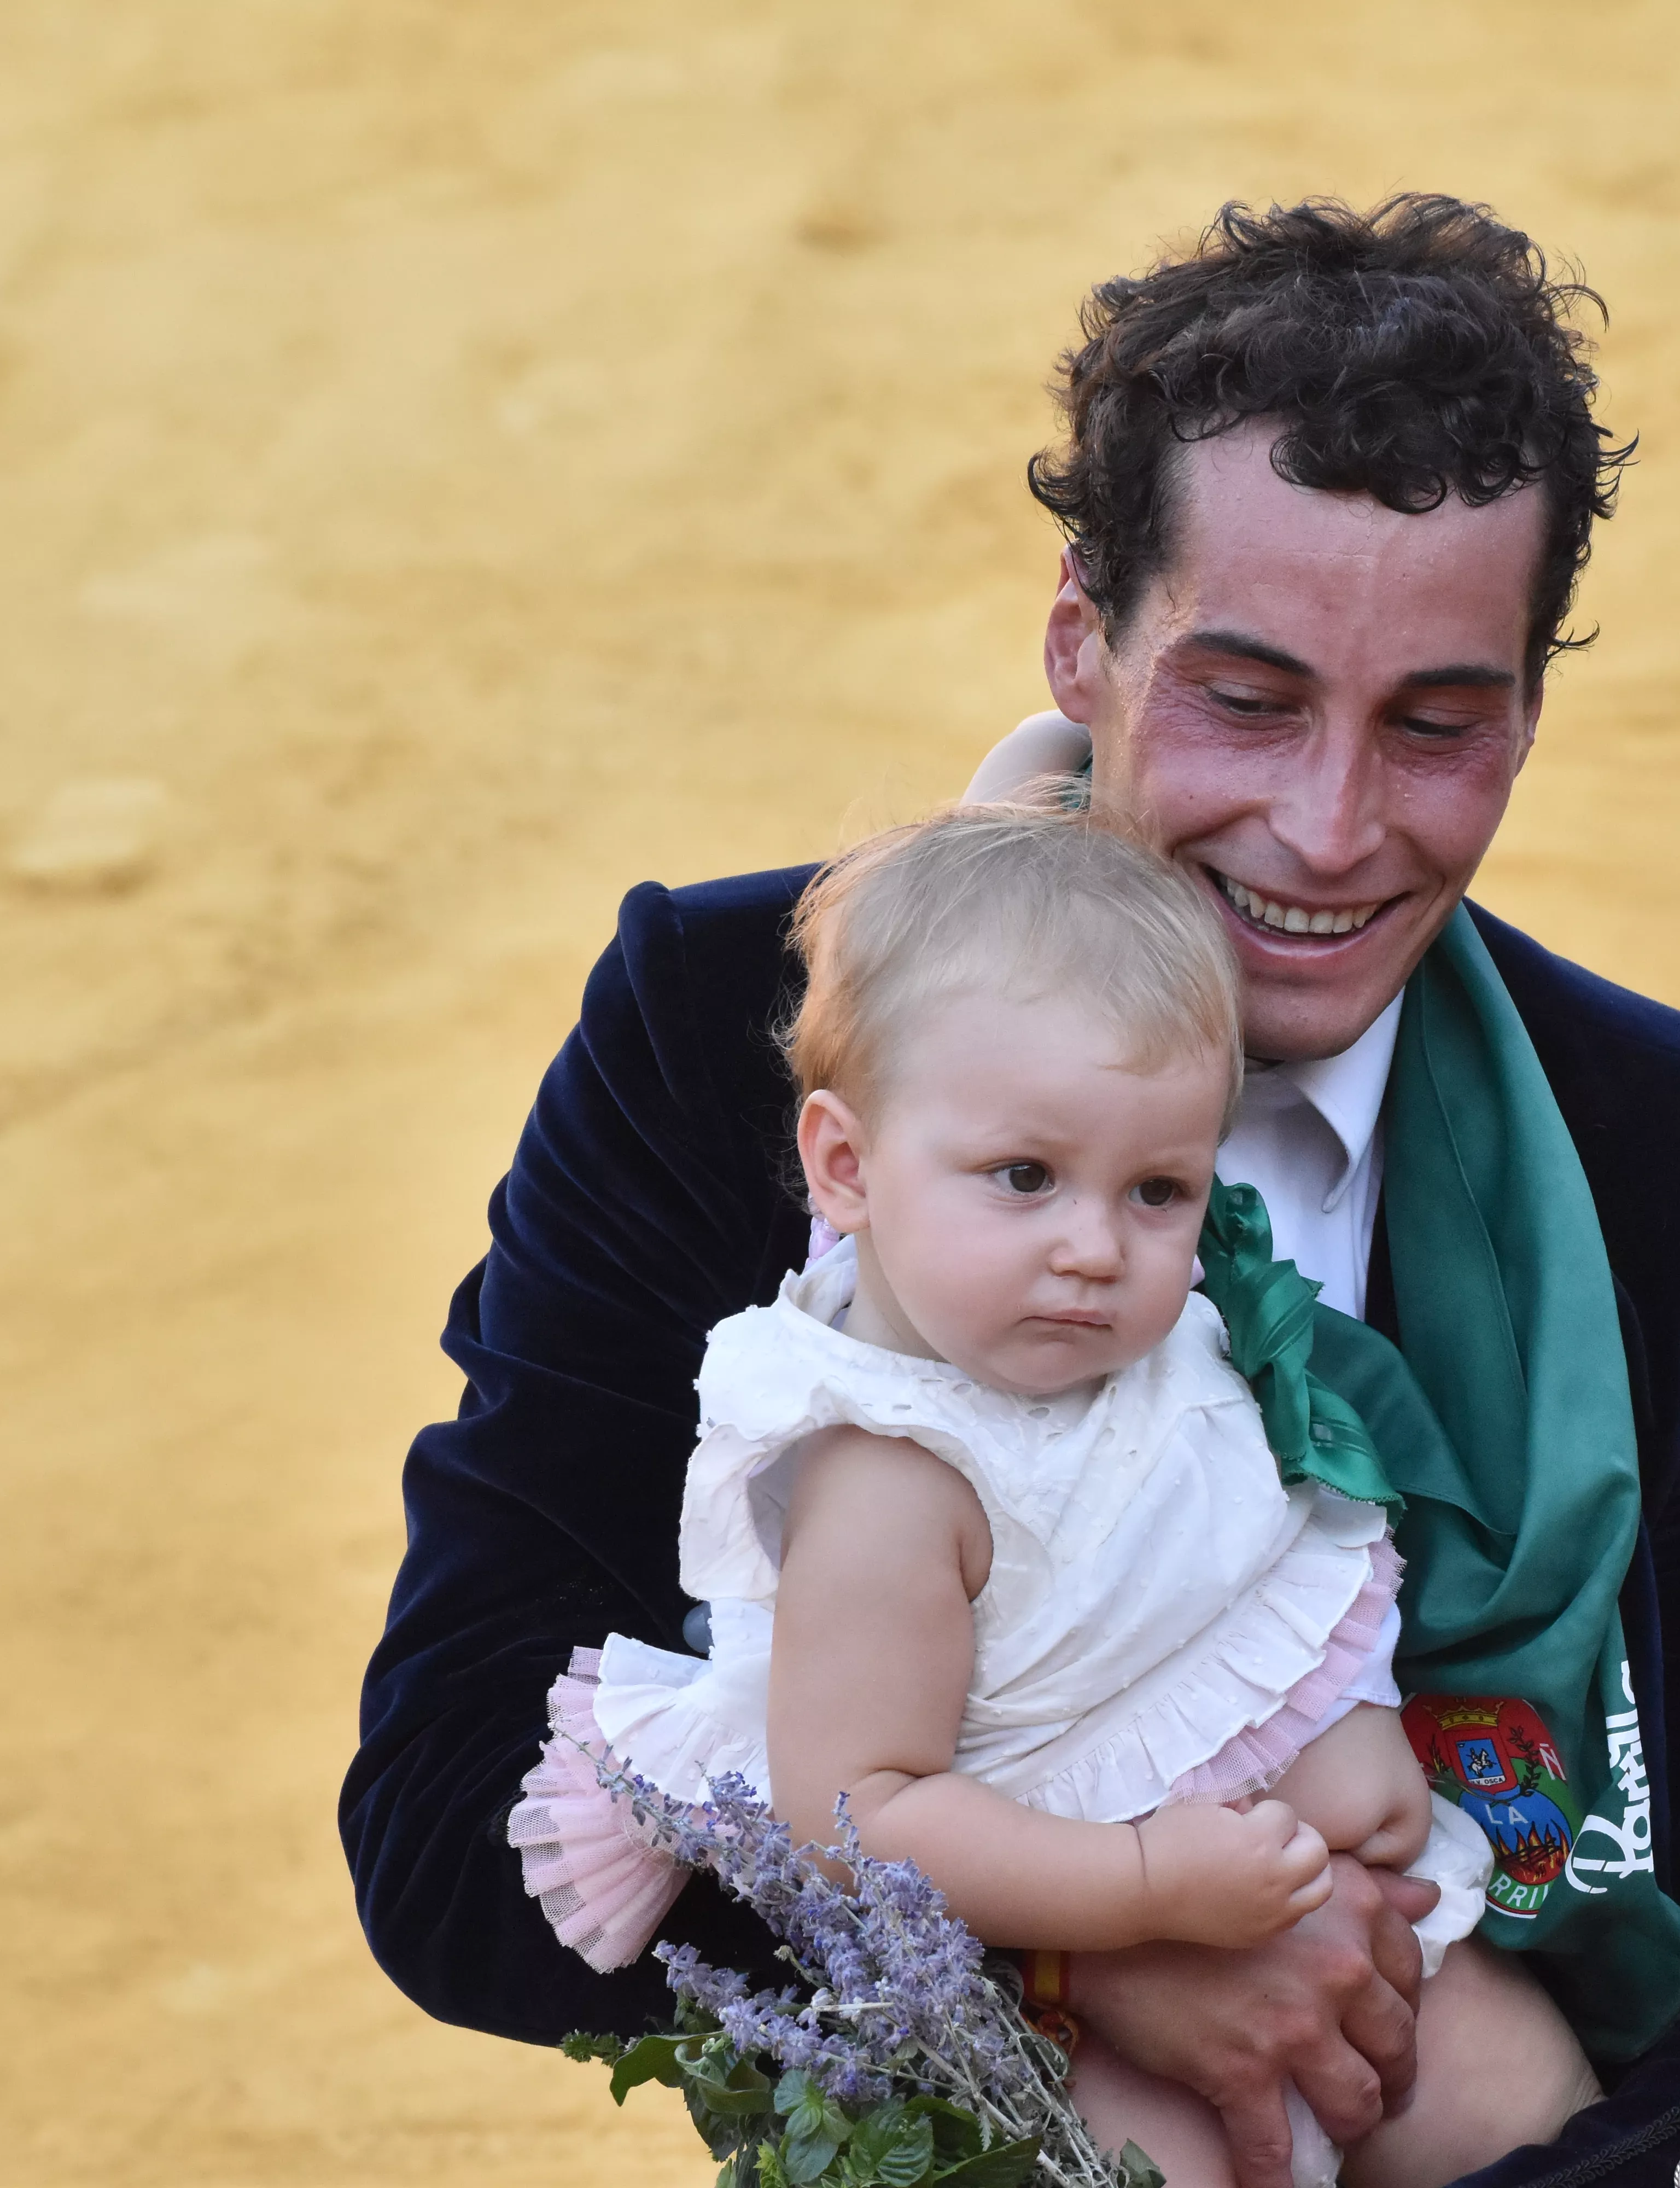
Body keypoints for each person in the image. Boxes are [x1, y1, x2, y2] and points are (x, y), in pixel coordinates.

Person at [344, 194, 1680, 2188]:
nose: (1328, 827)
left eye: (1437, 724)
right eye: (1246, 695)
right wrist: (1077, 1946)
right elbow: (452, 1825)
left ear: (1529, 715)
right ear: (1084, 634)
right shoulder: (732, 1030)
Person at [510, 802, 1602, 2188]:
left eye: (1159, 1188)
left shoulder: (1168, 1345)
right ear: (846, 1167)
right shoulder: (892, 1476)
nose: (1097, 1247)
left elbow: (1258, 1564)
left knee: (1528, 2097)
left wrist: (1354, 1730)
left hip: (1299, 1886)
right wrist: (1140, 1895)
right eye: (1024, 1178)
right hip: (1067, 1963)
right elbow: (861, 1818)